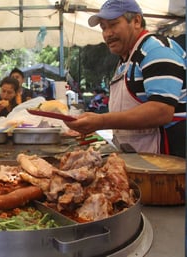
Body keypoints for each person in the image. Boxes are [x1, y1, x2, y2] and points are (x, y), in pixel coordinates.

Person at [64, 0, 186, 158]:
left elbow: (161, 111)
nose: (107, 33)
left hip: (168, 160)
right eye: (103, 27)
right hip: (139, 156)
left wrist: (101, 121)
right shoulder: (126, 59)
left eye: (113, 24)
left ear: (136, 21)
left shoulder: (157, 51)